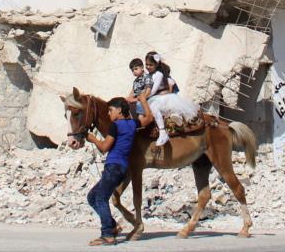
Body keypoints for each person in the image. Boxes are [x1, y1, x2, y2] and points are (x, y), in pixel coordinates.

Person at [83, 94, 153, 246]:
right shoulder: (133, 124)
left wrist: (92, 138)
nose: (108, 114)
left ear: (119, 111)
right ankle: (113, 227)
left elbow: (104, 148)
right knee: (92, 197)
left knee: (101, 198)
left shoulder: (115, 126)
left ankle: (107, 235)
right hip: (122, 168)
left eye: (110, 110)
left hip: (113, 166)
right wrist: (143, 101)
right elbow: (149, 118)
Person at [145, 51, 199, 147]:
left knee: (155, 109)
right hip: (157, 97)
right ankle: (173, 119)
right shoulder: (149, 75)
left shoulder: (158, 74)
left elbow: (153, 91)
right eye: (146, 64)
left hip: (159, 98)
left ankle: (162, 132)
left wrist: (143, 97)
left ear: (156, 64)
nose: (148, 67)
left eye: (150, 65)